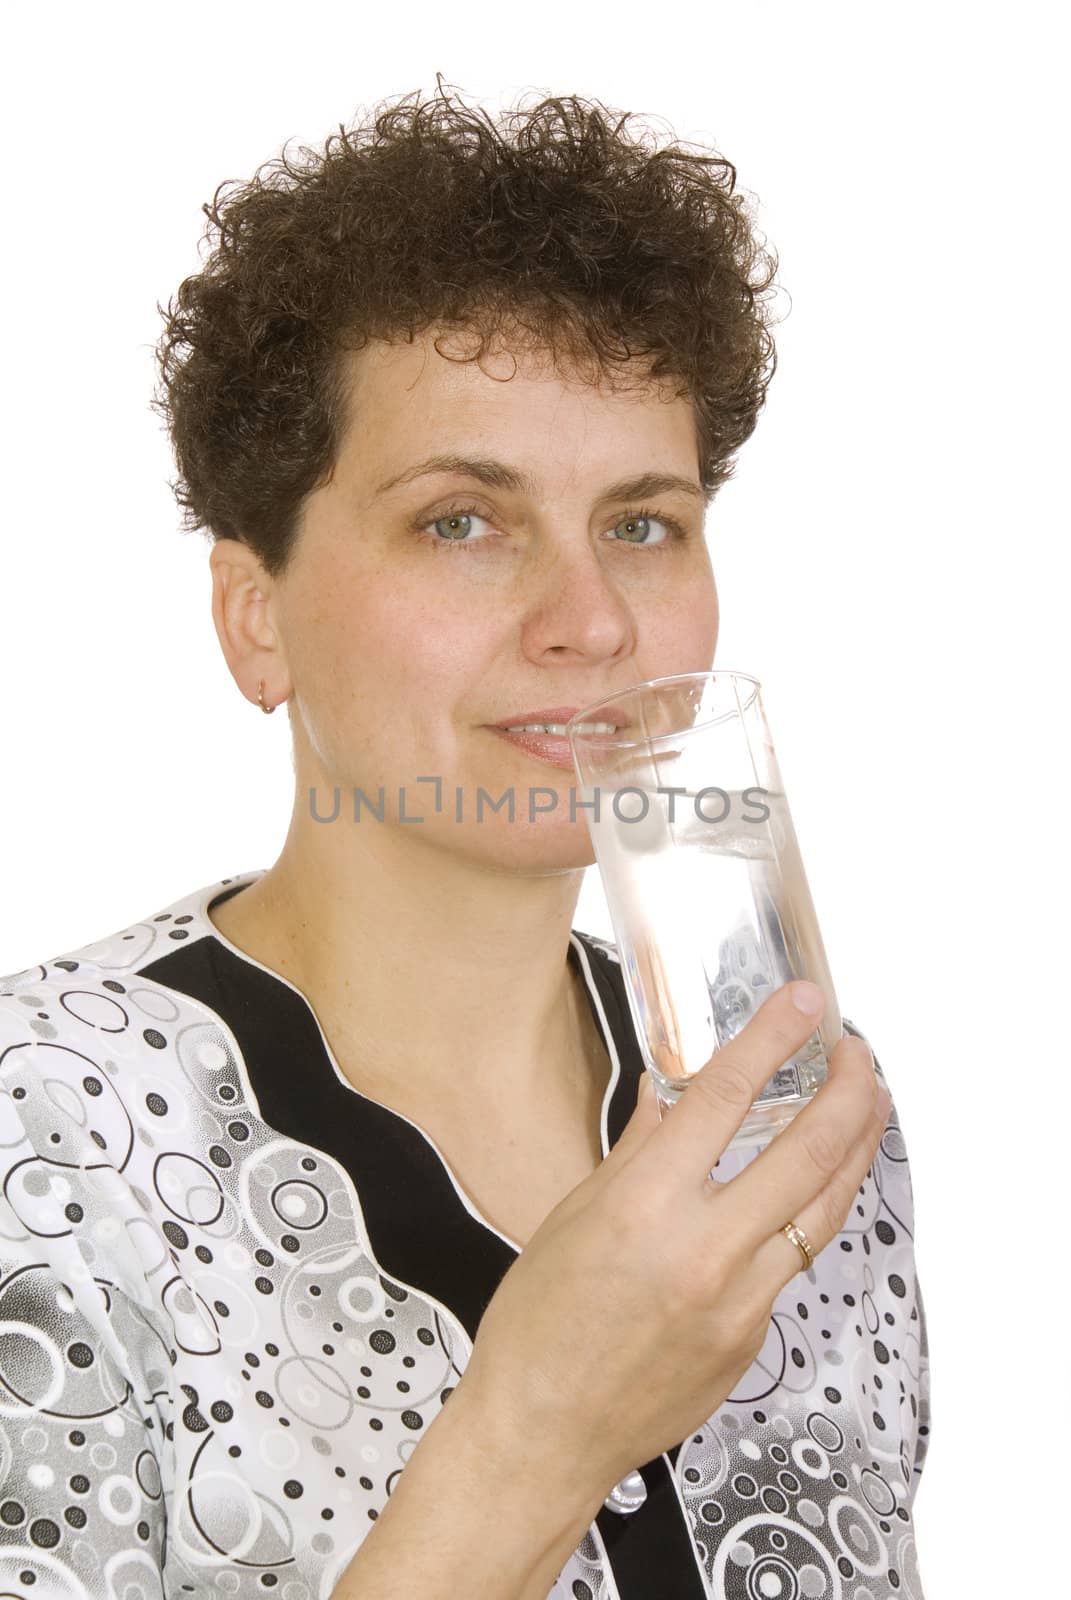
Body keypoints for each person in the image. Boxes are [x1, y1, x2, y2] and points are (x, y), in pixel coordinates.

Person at [0, 80, 930, 1599]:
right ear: (256, 617)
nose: (593, 623)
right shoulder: (43, 1141)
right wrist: (539, 1432)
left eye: (642, 522)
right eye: (461, 519)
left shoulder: (820, 1137)